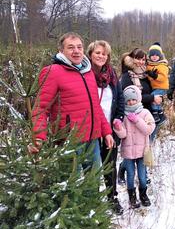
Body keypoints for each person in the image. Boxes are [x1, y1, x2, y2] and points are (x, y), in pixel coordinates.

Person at [29, 32, 114, 172]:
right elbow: (41, 108)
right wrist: (38, 138)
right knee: (72, 189)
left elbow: (95, 106)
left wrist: (106, 131)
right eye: (71, 47)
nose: (76, 51)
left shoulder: (88, 72)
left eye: (79, 47)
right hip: (69, 142)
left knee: (93, 186)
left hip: (92, 140)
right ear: (61, 51)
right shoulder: (52, 72)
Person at [87, 40, 125, 215]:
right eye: (97, 53)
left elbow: (120, 98)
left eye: (104, 54)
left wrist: (118, 118)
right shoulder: (84, 74)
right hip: (91, 129)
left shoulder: (111, 74)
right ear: (90, 54)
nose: (101, 56)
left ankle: (112, 198)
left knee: (110, 165)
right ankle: (91, 201)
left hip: (110, 128)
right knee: (92, 167)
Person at [118, 48, 162, 184]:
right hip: (131, 117)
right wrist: (152, 98)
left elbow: (153, 88)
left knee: (144, 146)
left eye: (143, 59)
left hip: (145, 115)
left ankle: (144, 173)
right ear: (132, 59)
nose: (141, 62)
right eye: (138, 58)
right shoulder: (127, 76)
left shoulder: (144, 74)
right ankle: (122, 169)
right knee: (132, 146)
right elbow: (129, 97)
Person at [113, 85, 155, 208]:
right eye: (128, 100)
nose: (131, 102)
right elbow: (123, 135)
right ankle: (132, 197)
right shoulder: (124, 115)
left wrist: (137, 120)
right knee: (130, 175)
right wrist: (118, 127)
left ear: (138, 99)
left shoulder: (145, 113)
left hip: (142, 151)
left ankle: (143, 194)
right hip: (129, 152)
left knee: (142, 176)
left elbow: (149, 129)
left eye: (133, 100)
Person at [146, 42, 169, 125]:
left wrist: (155, 76)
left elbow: (163, 77)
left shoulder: (162, 65)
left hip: (161, 87)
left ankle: (155, 114)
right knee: (157, 100)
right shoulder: (149, 65)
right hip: (155, 86)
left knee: (154, 98)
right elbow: (147, 75)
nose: (154, 57)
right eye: (152, 55)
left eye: (156, 55)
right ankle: (160, 114)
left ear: (160, 56)